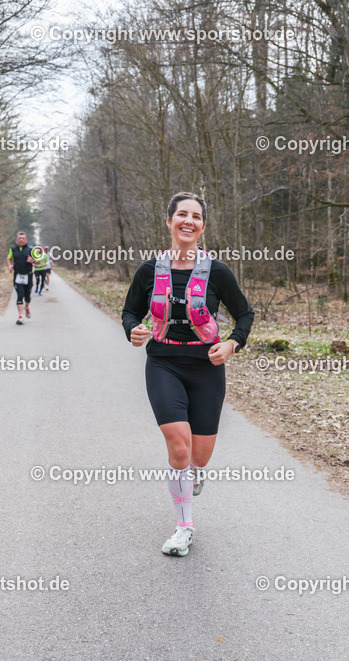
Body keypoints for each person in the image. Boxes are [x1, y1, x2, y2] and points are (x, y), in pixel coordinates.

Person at [122, 192, 254, 557]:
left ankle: (195, 472)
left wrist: (232, 344)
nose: (188, 221)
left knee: (200, 455)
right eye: (181, 214)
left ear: (202, 227)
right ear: (169, 222)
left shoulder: (217, 271)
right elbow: (130, 312)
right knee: (178, 447)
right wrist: (132, 330)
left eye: (195, 216)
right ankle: (184, 527)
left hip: (207, 368)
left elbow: (245, 315)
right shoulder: (150, 270)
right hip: (163, 363)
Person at [7, 232, 35, 324]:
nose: (21, 240)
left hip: (28, 275)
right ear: (17, 240)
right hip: (18, 276)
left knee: (27, 297)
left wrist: (32, 261)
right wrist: (10, 265)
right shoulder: (13, 249)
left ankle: (26, 307)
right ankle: (21, 317)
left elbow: (38, 261)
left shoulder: (31, 249)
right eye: (19, 238)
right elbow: (9, 258)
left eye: (23, 238)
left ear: (26, 240)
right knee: (20, 295)